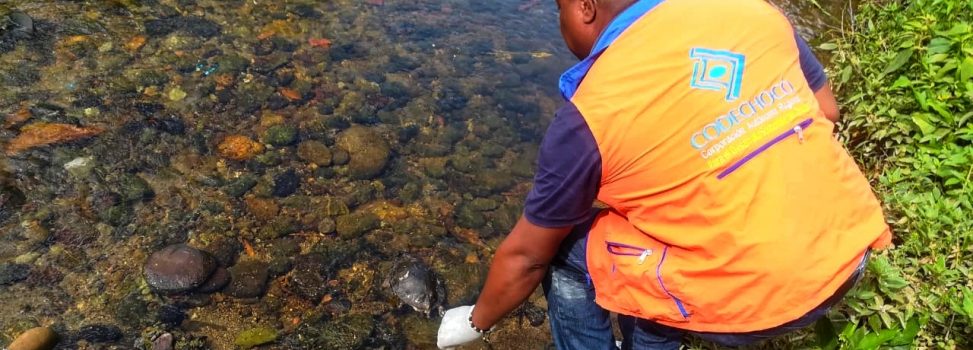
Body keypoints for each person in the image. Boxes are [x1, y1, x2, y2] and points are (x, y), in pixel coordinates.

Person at [436, 0, 893, 348]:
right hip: (850, 250)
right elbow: (825, 111)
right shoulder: (752, 12)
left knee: (564, 251)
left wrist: (475, 323)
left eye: (559, 11)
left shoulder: (590, 114)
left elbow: (525, 260)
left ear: (585, 8)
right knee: (644, 229)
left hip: (763, 304)